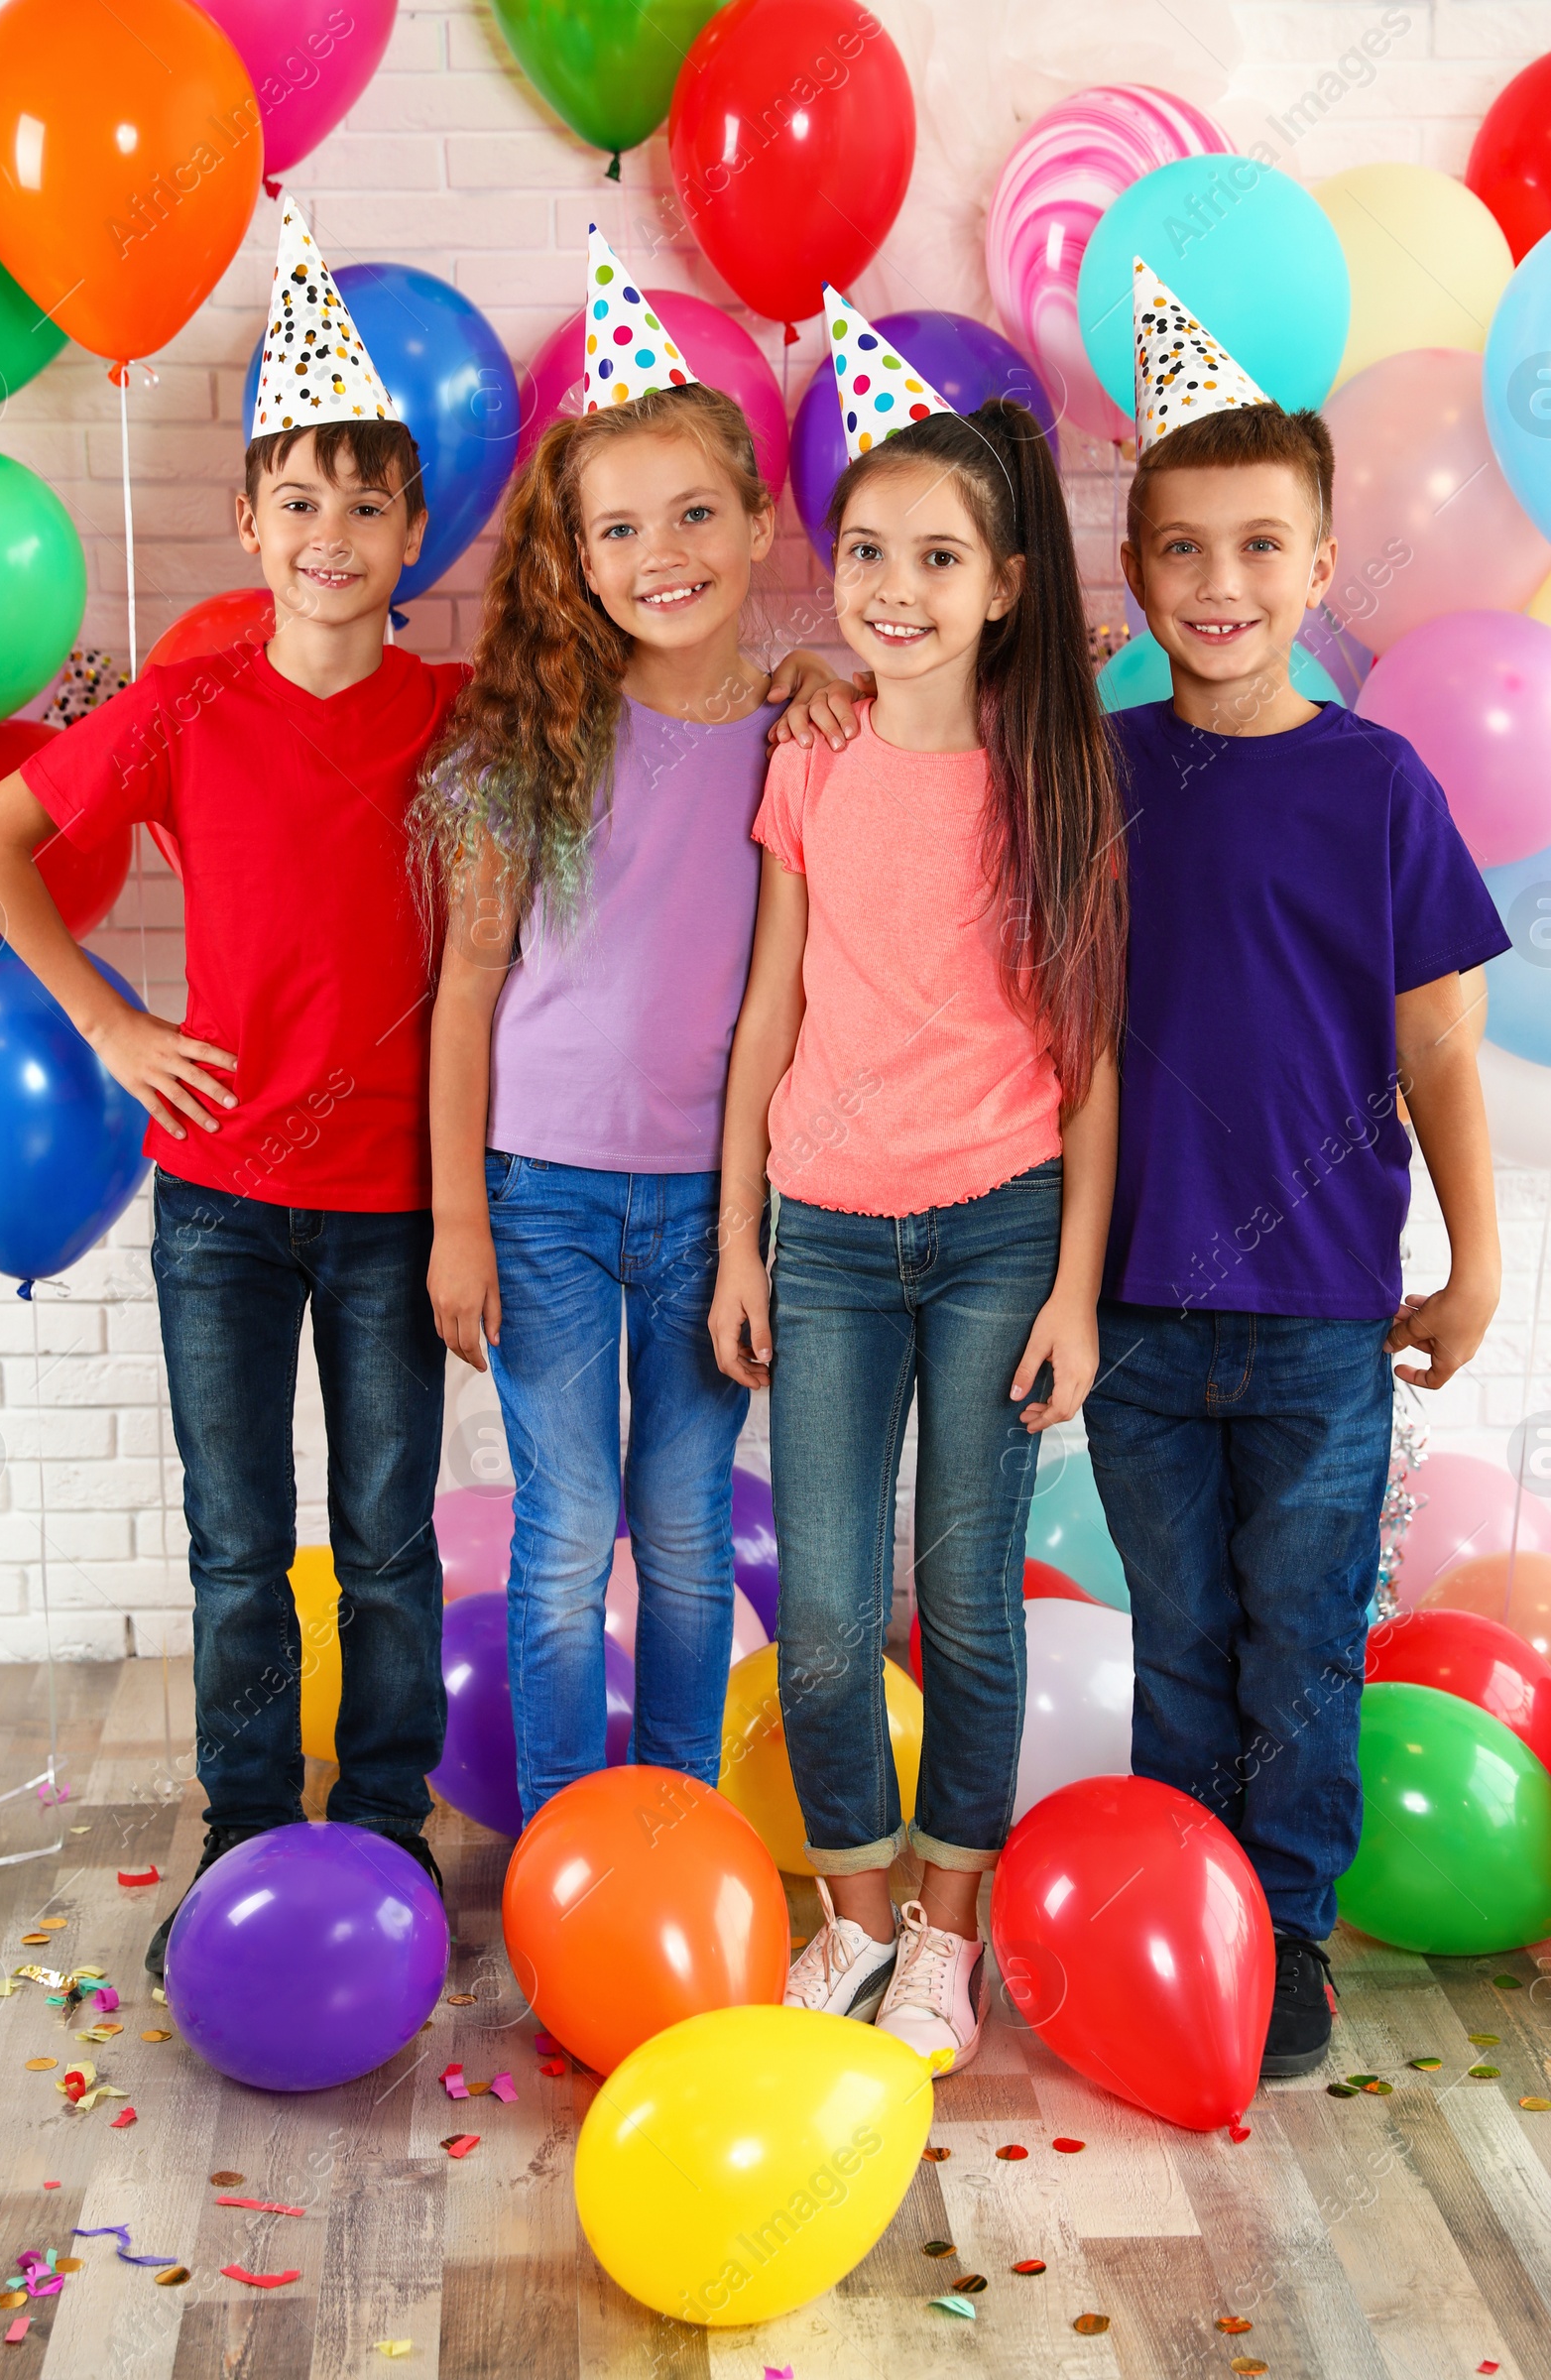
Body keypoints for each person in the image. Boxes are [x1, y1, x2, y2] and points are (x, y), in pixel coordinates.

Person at [0, 204, 465, 1973]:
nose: (331, 534)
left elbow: (643, 731)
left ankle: (392, 1826)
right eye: (299, 501)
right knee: (240, 1543)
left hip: (402, 1204)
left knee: (388, 1537)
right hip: (227, 1199)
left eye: (365, 503)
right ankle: (250, 1832)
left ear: (415, 534)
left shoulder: (461, 715)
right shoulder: (186, 709)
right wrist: (108, 1024)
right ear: (251, 524)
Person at [1082, 262, 1510, 2076]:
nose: (1223, 586)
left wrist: (1475, 1260)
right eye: (1184, 550)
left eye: (1262, 547)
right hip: (1137, 1313)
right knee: (1181, 1636)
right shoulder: (1088, 774)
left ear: (1322, 569)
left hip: (1329, 1312)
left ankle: (1295, 1925)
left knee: (1305, 1644)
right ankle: (1192, 1906)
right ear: (1135, 576)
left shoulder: (1382, 785)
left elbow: (1437, 1049)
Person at [709, 290, 1126, 2074]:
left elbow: (1095, 1057)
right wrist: (741, 1238)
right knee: (821, 1614)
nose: (893, 587)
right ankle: (855, 1918)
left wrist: (1077, 1287)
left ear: (1004, 584)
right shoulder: (811, 756)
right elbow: (766, 1010)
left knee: (963, 1596)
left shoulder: (1060, 775)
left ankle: (949, 1931)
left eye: (936, 557)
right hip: (823, 1237)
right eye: (867, 549)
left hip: (996, 1231)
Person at [415, 230, 842, 1822]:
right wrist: (459, 1219)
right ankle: (560, 1843)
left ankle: (667, 1830)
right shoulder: (533, 734)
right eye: (619, 528)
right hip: (542, 1196)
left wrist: (821, 679)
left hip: (717, 1207)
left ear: (754, 521)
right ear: (578, 559)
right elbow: (465, 988)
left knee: (679, 1535)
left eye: (693, 515)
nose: (661, 552)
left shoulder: (806, 730)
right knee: (561, 1530)